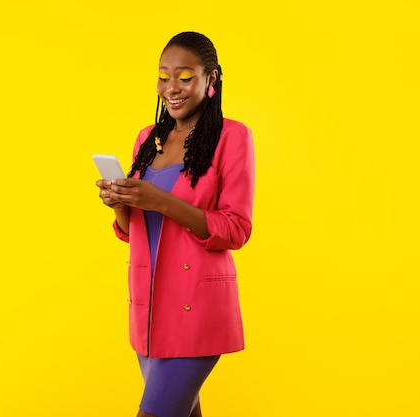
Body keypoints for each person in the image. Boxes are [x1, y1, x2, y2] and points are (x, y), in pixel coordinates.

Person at [96, 31, 255, 417]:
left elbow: (236, 228)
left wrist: (162, 201)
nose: (171, 87)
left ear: (211, 79)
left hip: (196, 310)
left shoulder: (232, 136)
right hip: (148, 309)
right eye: (163, 76)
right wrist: (120, 203)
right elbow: (134, 230)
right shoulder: (147, 138)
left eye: (185, 76)